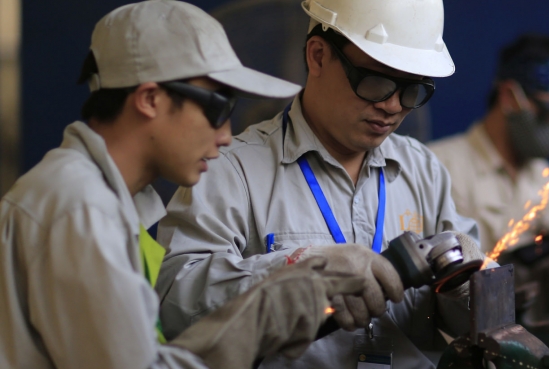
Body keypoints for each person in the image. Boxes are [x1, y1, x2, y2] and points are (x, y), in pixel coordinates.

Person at [0, 1, 378, 368]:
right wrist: (261, 312)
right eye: (218, 108)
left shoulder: (95, 200)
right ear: (149, 98)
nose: (227, 135)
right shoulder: (81, 207)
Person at [155, 0, 489, 367]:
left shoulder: (422, 169)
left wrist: (467, 288)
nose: (393, 106)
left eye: (412, 90)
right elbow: (175, 305)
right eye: (377, 82)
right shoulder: (231, 169)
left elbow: (476, 330)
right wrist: (301, 268)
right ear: (317, 56)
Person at [428, 34, 549, 313]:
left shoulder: (541, 174)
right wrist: (535, 230)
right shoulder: (439, 166)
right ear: (509, 97)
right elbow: (451, 281)